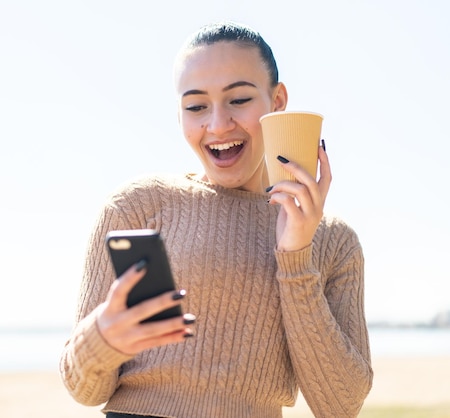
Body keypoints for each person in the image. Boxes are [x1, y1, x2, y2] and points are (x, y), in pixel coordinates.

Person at [59, 21, 373, 418]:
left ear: (277, 102)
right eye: (195, 107)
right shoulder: (137, 207)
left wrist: (295, 255)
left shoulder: (333, 242)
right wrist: (103, 336)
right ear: (179, 115)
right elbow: (82, 388)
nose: (218, 124)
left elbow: (341, 405)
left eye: (239, 99)